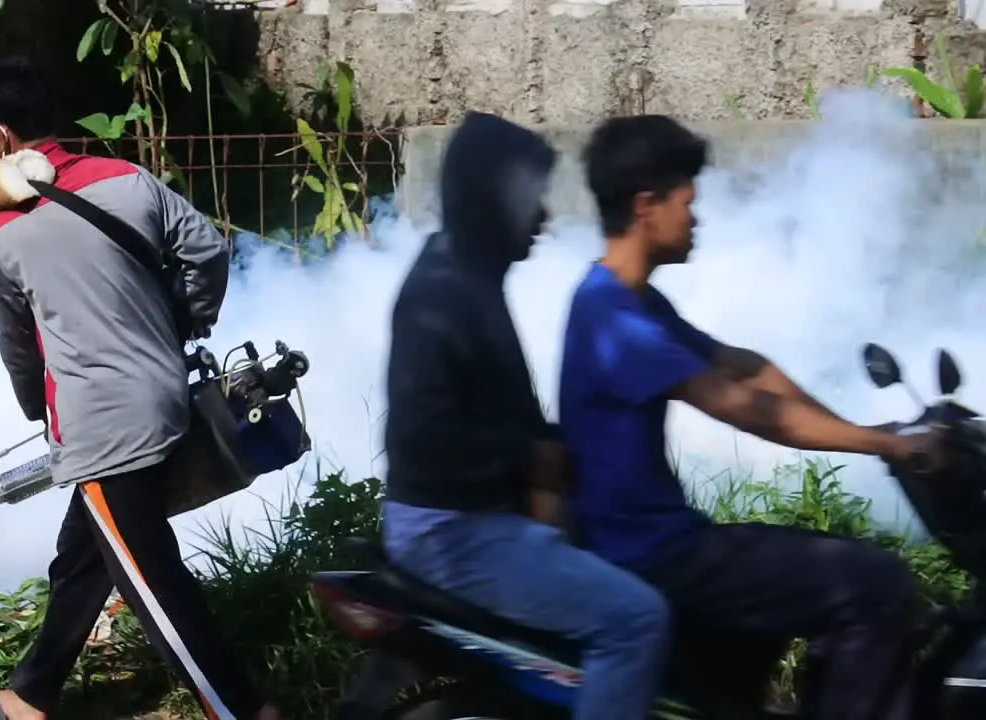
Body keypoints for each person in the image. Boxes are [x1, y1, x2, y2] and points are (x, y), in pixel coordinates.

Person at [559, 113, 937, 719]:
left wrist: (874, 431)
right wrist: (885, 447)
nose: (697, 218)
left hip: (665, 541)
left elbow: (744, 367)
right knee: (875, 584)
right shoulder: (616, 320)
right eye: (688, 202)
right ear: (646, 206)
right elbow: (748, 410)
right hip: (649, 554)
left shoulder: (632, 301)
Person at [0, 56, 279, 720]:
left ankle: (243, 710)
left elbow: (19, 348)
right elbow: (208, 251)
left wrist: (41, 411)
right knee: (83, 555)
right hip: (166, 397)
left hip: (105, 426)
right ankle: (29, 693)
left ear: (0, 140)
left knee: (154, 585)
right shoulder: (127, 179)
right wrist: (180, 322)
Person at [381, 110, 671, 720]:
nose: (542, 217)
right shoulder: (443, 293)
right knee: (634, 620)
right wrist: (530, 456)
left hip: (475, 518)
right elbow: (420, 439)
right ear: (494, 199)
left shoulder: (471, 275)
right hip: (450, 532)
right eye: (531, 198)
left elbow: (505, 410)